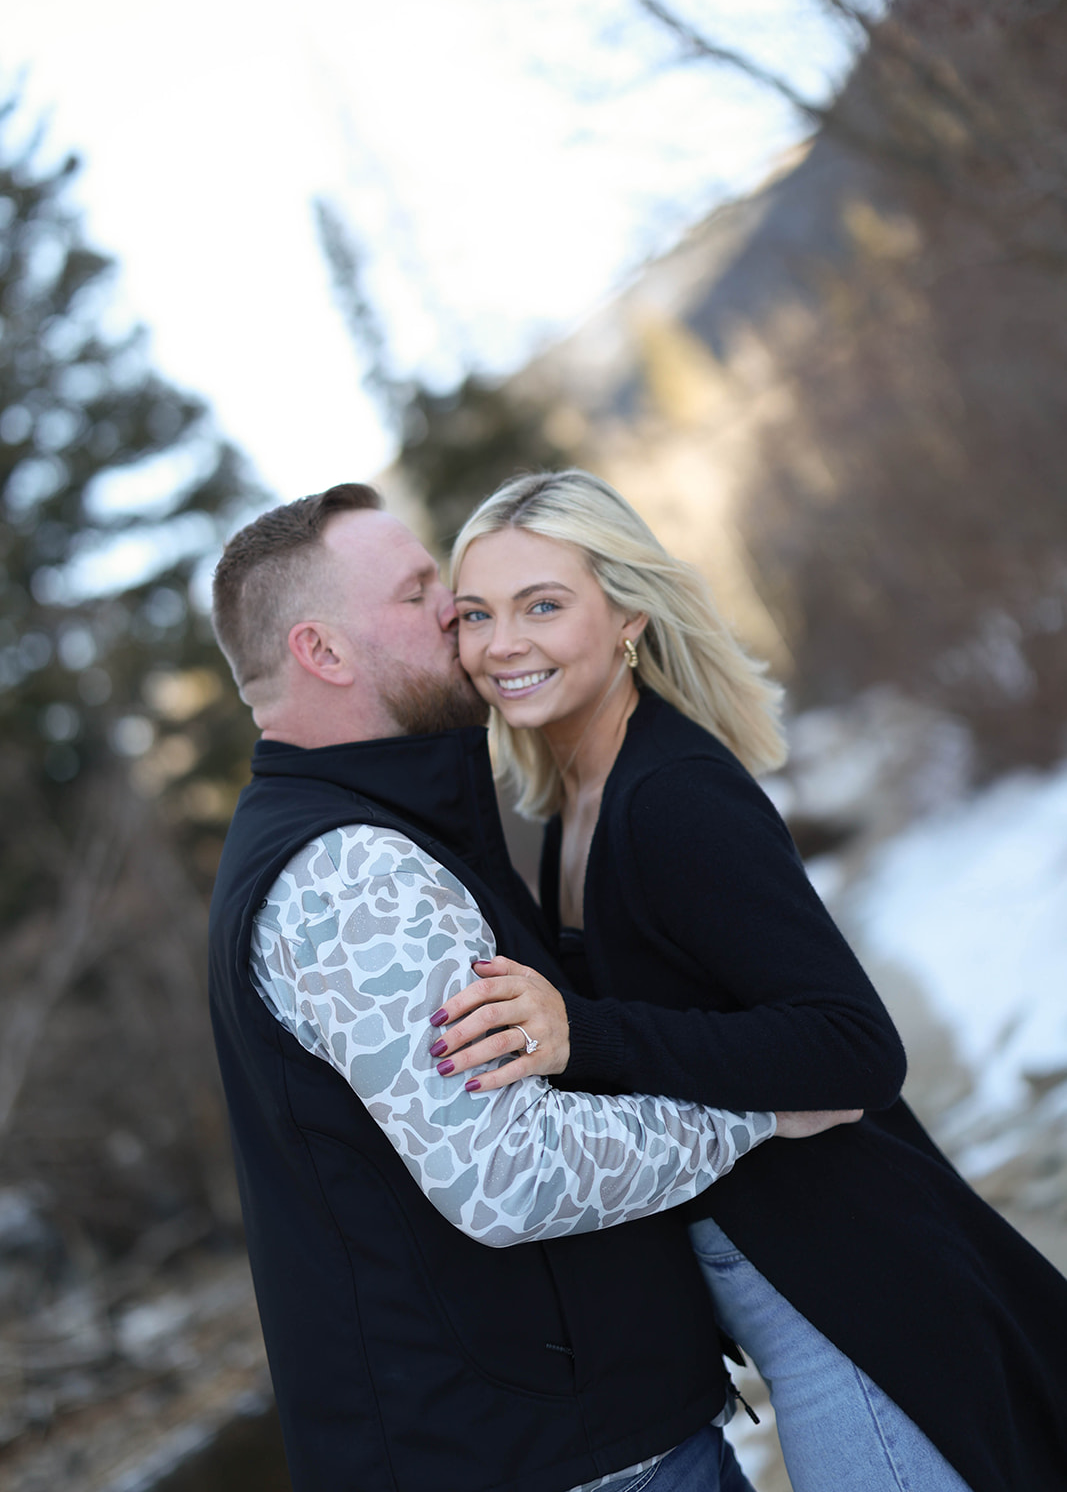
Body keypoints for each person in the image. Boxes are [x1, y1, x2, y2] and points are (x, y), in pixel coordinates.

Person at [207, 482, 853, 1492]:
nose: (457, 609)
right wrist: (761, 1110)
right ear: (322, 652)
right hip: (551, 1463)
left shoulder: (377, 831)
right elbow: (508, 1173)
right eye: (420, 591)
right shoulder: (350, 874)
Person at [438, 467, 1067, 1492]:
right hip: (797, 1304)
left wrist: (581, 1031)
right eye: (475, 614)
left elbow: (853, 1046)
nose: (500, 644)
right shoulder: (572, 803)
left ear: (628, 614)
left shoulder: (670, 793)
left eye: (541, 605)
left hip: (850, 1309)